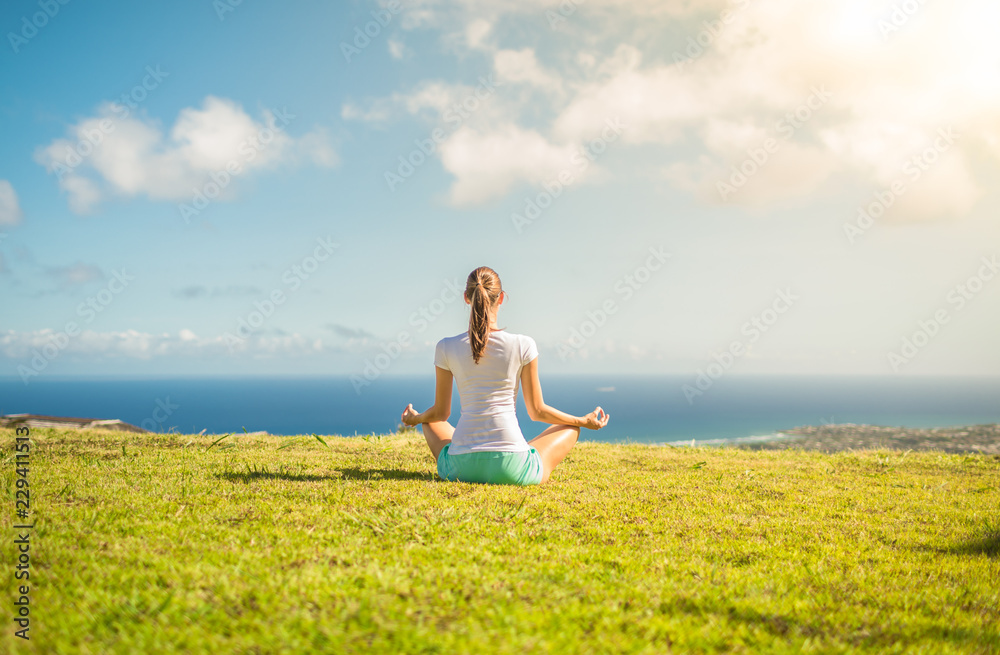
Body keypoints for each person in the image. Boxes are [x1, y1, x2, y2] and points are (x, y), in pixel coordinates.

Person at [401, 266, 610, 485]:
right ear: (501, 298)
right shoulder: (523, 344)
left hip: (459, 469)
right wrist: (582, 421)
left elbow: (440, 413)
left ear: (466, 298)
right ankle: (519, 450)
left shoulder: (445, 347)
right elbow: (537, 411)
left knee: (430, 421)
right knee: (570, 427)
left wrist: (416, 419)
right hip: (512, 469)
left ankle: (473, 452)